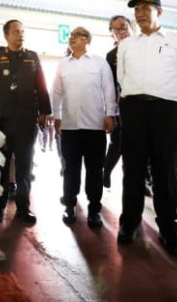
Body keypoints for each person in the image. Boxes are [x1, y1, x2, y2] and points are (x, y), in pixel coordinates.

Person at [116, 0, 177, 257]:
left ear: (159, 11)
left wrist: (169, 97)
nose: (139, 13)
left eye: (145, 8)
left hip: (167, 111)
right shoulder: (126, 45)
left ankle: (168, 230)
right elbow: (121, 78)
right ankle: (130, 223)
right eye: (136, 9)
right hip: (134, 110)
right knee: (133, 170)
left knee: (165, 172)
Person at [0, 20, 52, 226]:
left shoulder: (32, 57)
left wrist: (45, 112)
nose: (20, 35)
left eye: (22, 31)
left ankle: (23, 209)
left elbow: (42, 86)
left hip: (27, 120)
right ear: (6, 35)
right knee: (2, 167)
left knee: (25, 167)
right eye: (16, 31)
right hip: (4, 120)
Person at [52, 26, 116, 228]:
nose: (72, 38)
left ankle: (94, 210)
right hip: (70, 126)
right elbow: (56, 92)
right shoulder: (63, 65)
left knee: (95, 169)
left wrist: (110, 114)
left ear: (87, 40)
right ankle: (70, 206)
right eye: (71, 35)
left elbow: (109, 89)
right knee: (70, 168)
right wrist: (56, 115)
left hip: (95, 125)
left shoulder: (100, 62)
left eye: (77, 35)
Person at [103, 15, 132, 189]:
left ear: (131, 26)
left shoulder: (145, 48)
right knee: (117, 144)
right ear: (112, 35)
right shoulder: (111, 56)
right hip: (121, 107)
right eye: (116, 29)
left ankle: (141, 180)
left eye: (124, 26)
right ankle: (106, 173)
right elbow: (110, 86)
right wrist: (111, 112)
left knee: (138, 147)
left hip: (144, 107)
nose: (122, 31)